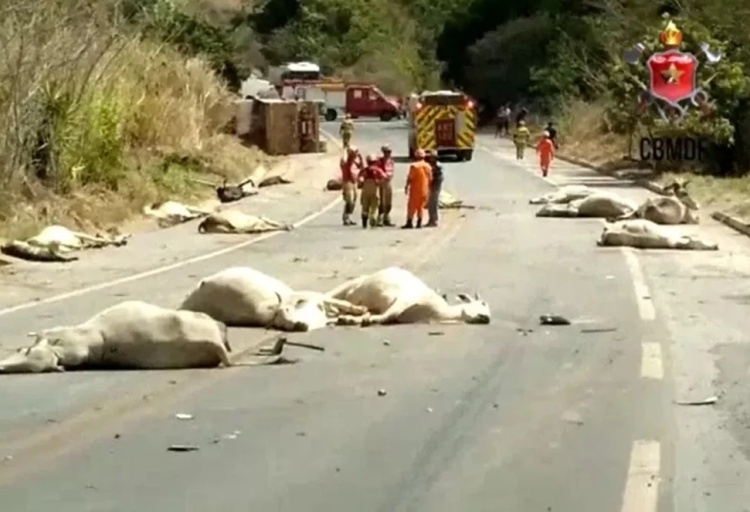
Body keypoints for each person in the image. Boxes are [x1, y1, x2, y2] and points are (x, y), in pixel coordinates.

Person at [403, 149, 432, 229]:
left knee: (411, 206)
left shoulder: (414, 166)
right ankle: (419, 223)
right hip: (424, 190)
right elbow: (430, 178)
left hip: (415, 190)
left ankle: (409, 222)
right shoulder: (428, 166)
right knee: (421, 207)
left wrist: (406, 186)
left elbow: (410, 177)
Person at [358, 154, 388, 228]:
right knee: (374, 206)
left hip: (365, 189)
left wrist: (361, 183)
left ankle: (364, 217)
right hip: (374, 189)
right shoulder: (377, 170)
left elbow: (360, 179)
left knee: (365, 205)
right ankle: (372, 218)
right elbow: (385, 176)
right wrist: (379, 182)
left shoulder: (365, 170)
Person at [340, 146, 363, 225]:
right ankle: (345, 217)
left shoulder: (356, 161)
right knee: (349, 199)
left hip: (354, 182)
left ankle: (348, 216)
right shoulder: (345, 161)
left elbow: (361, 167)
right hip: (347, 181)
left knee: (354, 200)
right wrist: (346, 150)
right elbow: (343, 162)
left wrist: (360, 157)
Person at [377, 145, 395, 226]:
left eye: (389, 152)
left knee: (389, 201)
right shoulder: (380, 161)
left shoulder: (391, 161)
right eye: (387, 152)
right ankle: (380, 219)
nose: (388, 154)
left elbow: (392, 171)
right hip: (382, 182)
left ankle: (387, 218)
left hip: (389, 182)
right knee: (382, 201)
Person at [425, 150, 443, 227]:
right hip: (431, 186)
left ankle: (433, 220)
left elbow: (437, 178)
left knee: (433, 203)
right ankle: (431, 219)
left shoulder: (437, 167)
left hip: (435, 186)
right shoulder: (430, 165)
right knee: (430, 204)